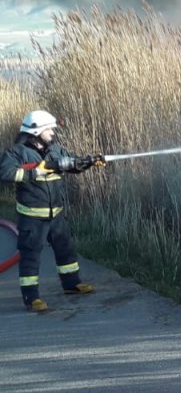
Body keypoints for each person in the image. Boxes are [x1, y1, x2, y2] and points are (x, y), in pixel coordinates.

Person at [0, 110, 105, 312]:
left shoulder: (55, 150)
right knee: (31, 257)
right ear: (36, 131)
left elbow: (71, 162)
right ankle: (31, 298)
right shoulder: (17, 152)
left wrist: (88, 162)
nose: (52, 133)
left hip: (56, 214)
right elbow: (5, 172)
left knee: (65, 250)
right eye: (49, 129)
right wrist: (36, 171)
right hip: (32, 217)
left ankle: (72, 284)